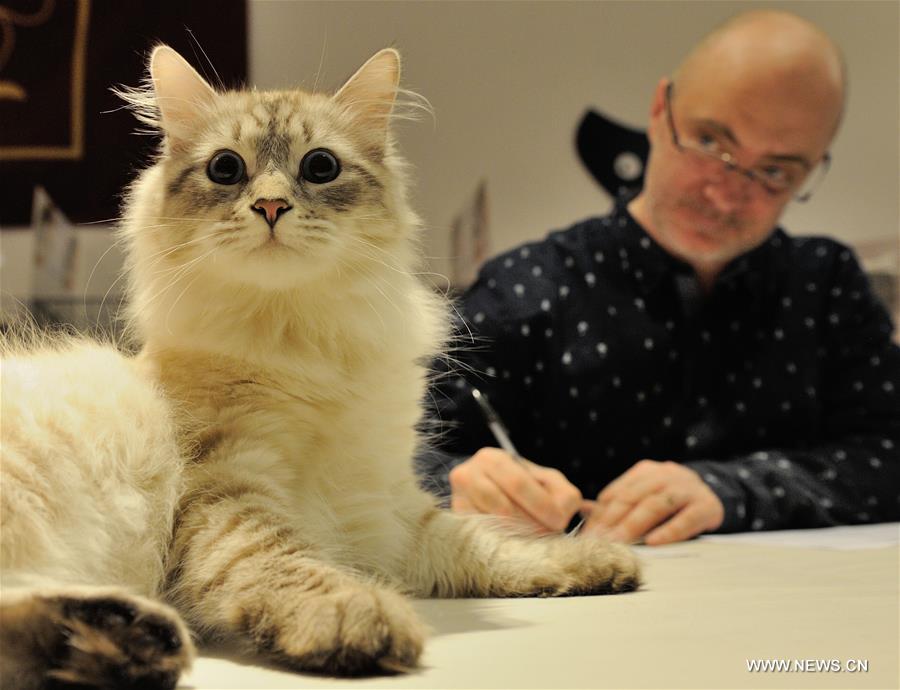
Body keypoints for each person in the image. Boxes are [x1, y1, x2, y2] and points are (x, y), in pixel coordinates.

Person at [418, 10, 900, 545]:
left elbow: (888, 454)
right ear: (659, 111)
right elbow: (384, 457)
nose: (724, 193)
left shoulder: (826, 286)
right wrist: (456, 484)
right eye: (711, 142)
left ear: (812, 170)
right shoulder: (527, 289)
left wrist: (732, 490)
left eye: (774, 172)